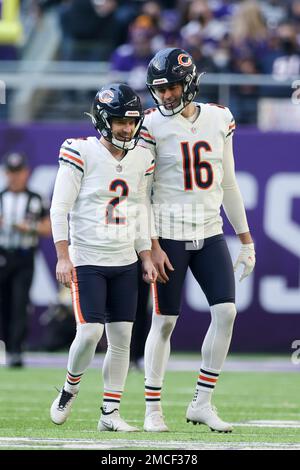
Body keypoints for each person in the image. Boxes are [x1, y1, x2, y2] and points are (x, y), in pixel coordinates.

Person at [139, 48, 256, 433]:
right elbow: (142, 190)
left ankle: (202, 402)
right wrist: (150, 244)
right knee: (165, 320)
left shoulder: (220, 118)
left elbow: (228, 182)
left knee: (226, 312)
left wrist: (245, 238)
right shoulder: (151, 124)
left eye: (171, 86)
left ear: (188, 82)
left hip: (208, 232)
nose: (166, 95)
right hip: (169, 234)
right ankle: (152, 408)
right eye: (159, 89)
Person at [50, 83, 157, 432]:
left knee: (123, 339)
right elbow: (59, 207)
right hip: (88, 259)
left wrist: (145, 254)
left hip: (124, 259)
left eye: (131, 122)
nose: (127, 129)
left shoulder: (142, 156)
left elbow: (140, 207)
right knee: (91, 332)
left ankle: (110, 414)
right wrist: (63, 256)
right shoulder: (80, 151)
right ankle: (69, 389)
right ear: (102, 119)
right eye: (119, 122)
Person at [0, 152, 51, 367]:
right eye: (11, 172)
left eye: (18, 172)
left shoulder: (35, 198)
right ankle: (5, 346)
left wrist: (28, 227)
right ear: (6, 173)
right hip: (3, 255)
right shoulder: (1, 197)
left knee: (20, 302)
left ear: (26, 173)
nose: (15, 177)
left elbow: (48, 228)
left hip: (24, 255)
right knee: (4, 303)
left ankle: (16, 350)